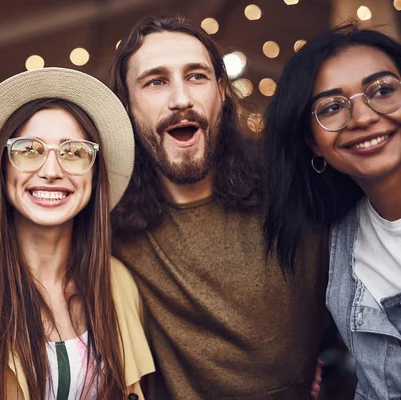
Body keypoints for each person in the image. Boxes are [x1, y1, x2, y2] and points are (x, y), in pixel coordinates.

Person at [108, 15, 328, 399]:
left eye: (197, 76)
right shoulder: (107, 225)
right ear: (127, 104)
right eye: (156, 82)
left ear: (222, 92)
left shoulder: (292, 196)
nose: (180, 99)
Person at [0, 67, 154, 399]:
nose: (52, 171)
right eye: (29, 150)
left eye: (74, 152)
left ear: (96, 175)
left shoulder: (120, 284)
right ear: (2, 167)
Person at [264, 24, 401, 399]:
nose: (362, 117)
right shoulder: (339, 239)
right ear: (314, 143)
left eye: (384, 90)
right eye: (332, 108)